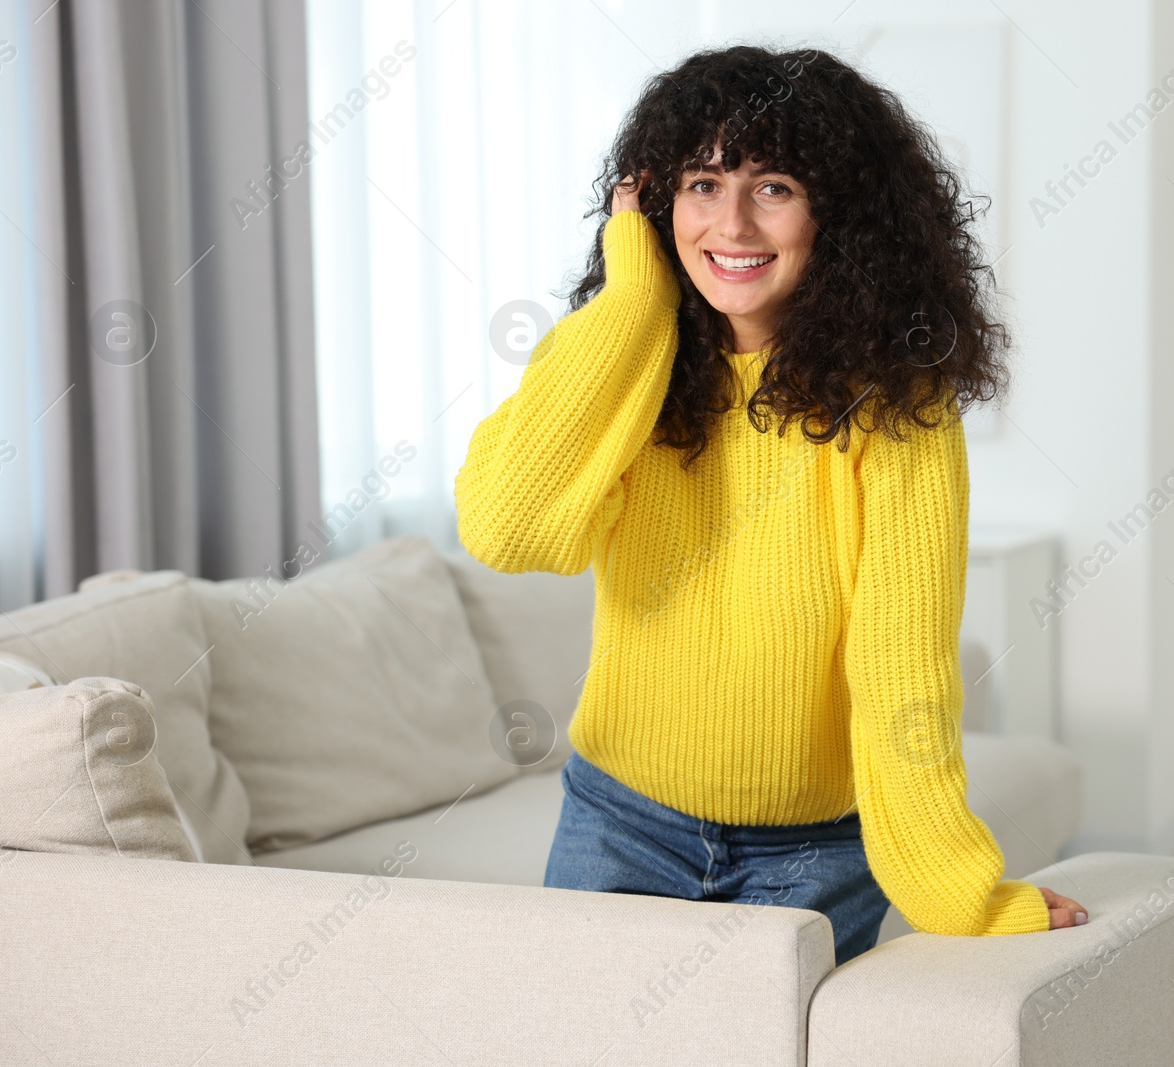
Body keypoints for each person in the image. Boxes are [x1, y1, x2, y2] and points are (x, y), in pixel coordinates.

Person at [454, 43, 1085, 967]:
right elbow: (508, 530)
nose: (734, 223)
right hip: (617, 822)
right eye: (703, 183)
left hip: (816, 853)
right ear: (655, 202)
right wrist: (634, 298)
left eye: (775, 186)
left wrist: (959, 890)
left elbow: (901, 663)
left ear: (840, 211)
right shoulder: (621, 358)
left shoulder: (897, 400)